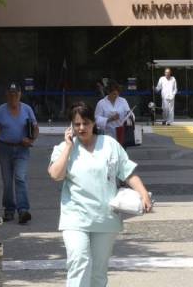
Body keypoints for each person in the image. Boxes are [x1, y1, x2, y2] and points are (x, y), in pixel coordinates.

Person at [49, 102, 152, 287]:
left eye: (86, 123)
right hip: (75, 217)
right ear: (71, 126)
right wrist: (68, 147)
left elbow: (127, 173)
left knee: (98, 271)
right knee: (78, 261)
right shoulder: (64, 148)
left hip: (104, 218)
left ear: (94, 123)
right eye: (77, 124)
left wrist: (143, 194)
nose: (81, 128)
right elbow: (56, 175)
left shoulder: (109, 144)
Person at [0, 84, 39, 224]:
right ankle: (9, 210)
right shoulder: (1, 110)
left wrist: (30, 140)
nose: (13, 97)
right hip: (5, 149)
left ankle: (23, 210)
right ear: (7, 95)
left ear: (20, 94)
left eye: (15, 94)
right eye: (10, 94)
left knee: (20, 178)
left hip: (22, 149)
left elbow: (35, 128)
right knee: (7, 181)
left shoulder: (27, 109)